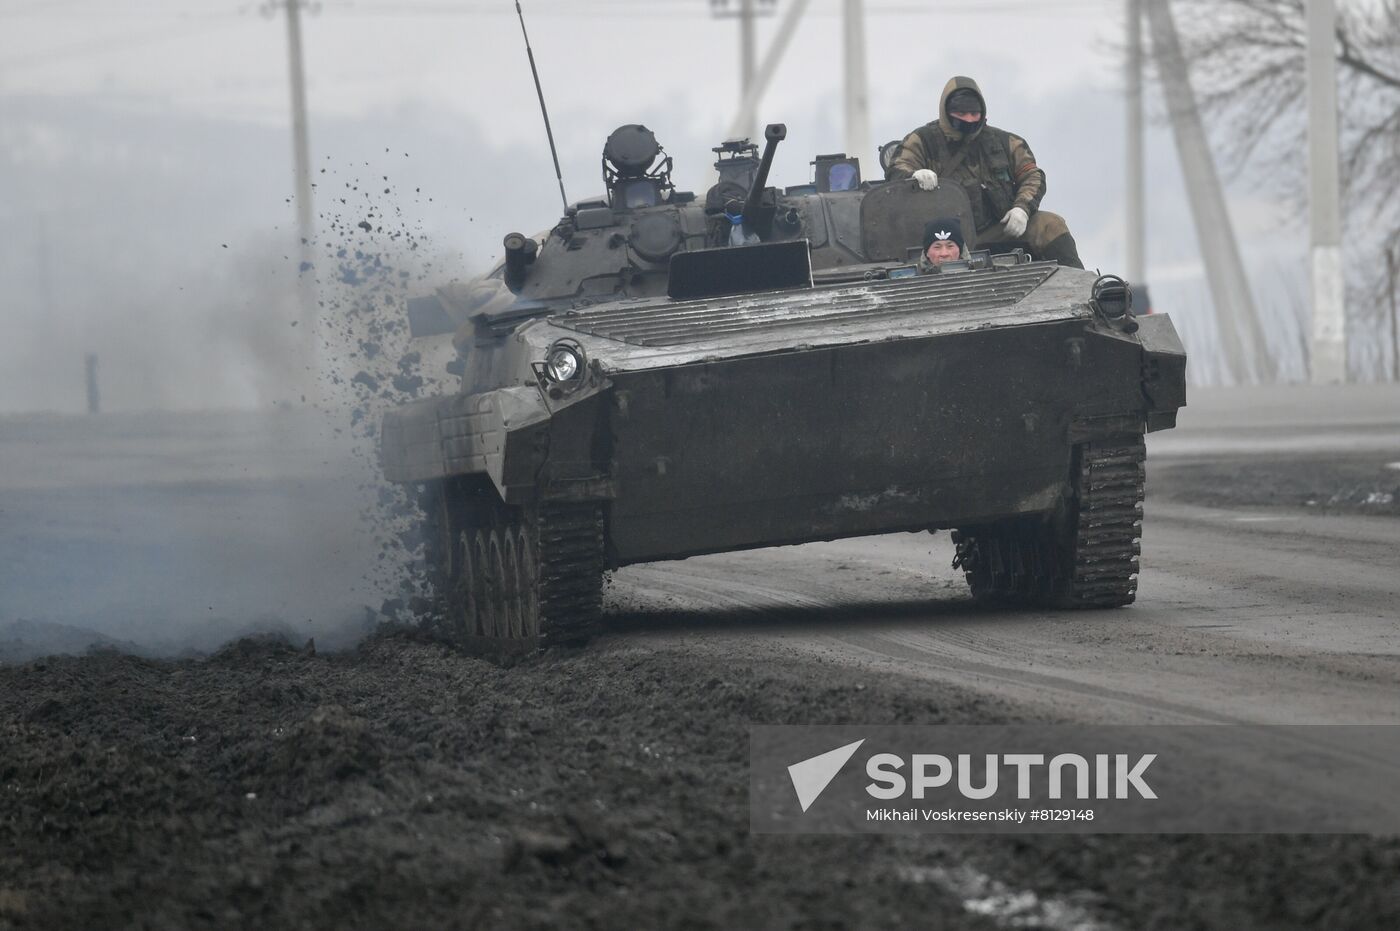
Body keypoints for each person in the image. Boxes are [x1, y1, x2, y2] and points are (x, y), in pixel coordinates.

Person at [888, 76, 1084, 269]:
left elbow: (1032, 175)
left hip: (997, 230)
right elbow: (898, 167)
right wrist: (913, 175)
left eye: (974, 113)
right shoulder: (923, 141)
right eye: (961, 113)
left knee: (1050, 224)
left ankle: (1083, 284)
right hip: (942, 238)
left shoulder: (1005, 143)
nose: (969, 119)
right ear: (946, 111)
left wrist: (1022, 209)